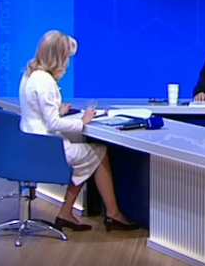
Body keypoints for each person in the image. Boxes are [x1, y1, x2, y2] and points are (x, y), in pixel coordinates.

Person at [18, 30, 138, 232]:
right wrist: (83, 121)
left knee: (88, 154)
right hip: (47, 148)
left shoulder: (30, 75)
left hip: (32, 144)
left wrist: (58, 111)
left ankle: (68, 212)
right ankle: (112, 213)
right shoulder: (45, 81)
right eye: (66, 56)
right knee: (99, 151)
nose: (67, 62)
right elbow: (53, 124)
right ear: (58, 56)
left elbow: (36, 111)